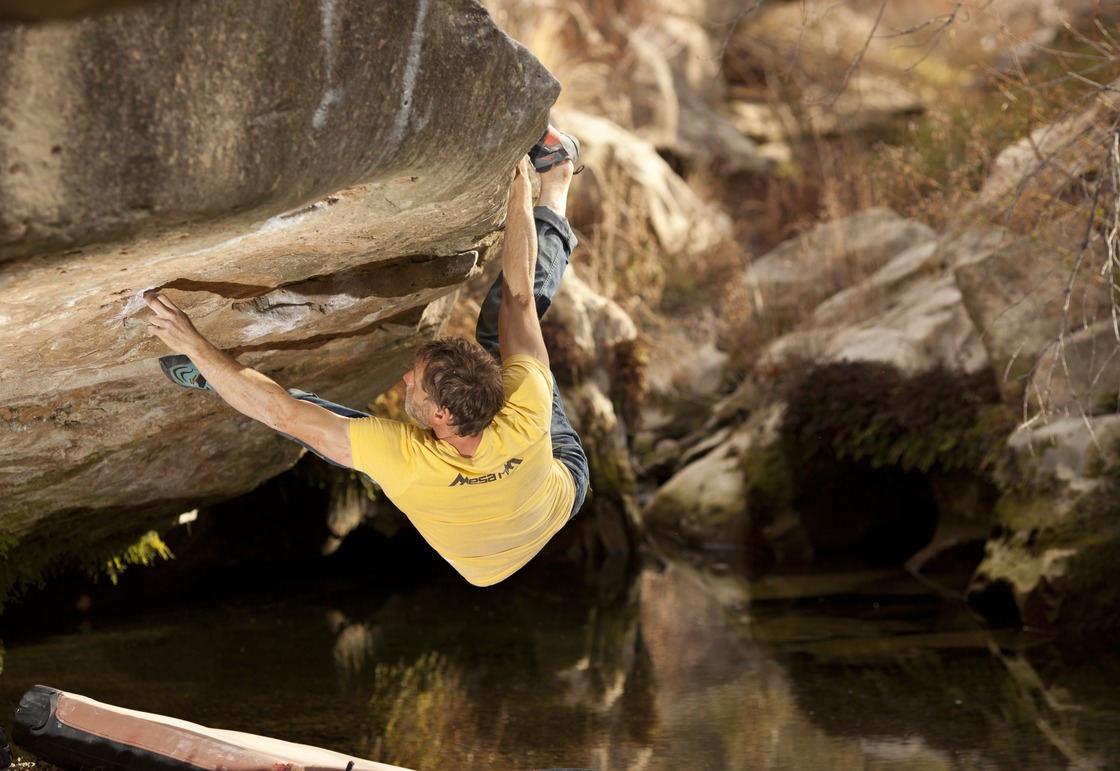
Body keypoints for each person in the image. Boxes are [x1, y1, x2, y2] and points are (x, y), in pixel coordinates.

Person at [144, 127, 590, 587]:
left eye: (415, 382)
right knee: (505, 323)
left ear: (442, 414)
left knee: (329, 430)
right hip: (555, 489)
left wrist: (195, 345)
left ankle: (218, 375)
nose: (405, 379)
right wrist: (519, 181)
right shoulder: (527, 405)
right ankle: (558, 174)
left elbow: (281, 413)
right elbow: (520, 295)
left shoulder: (413, 461)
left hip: (531, 504)